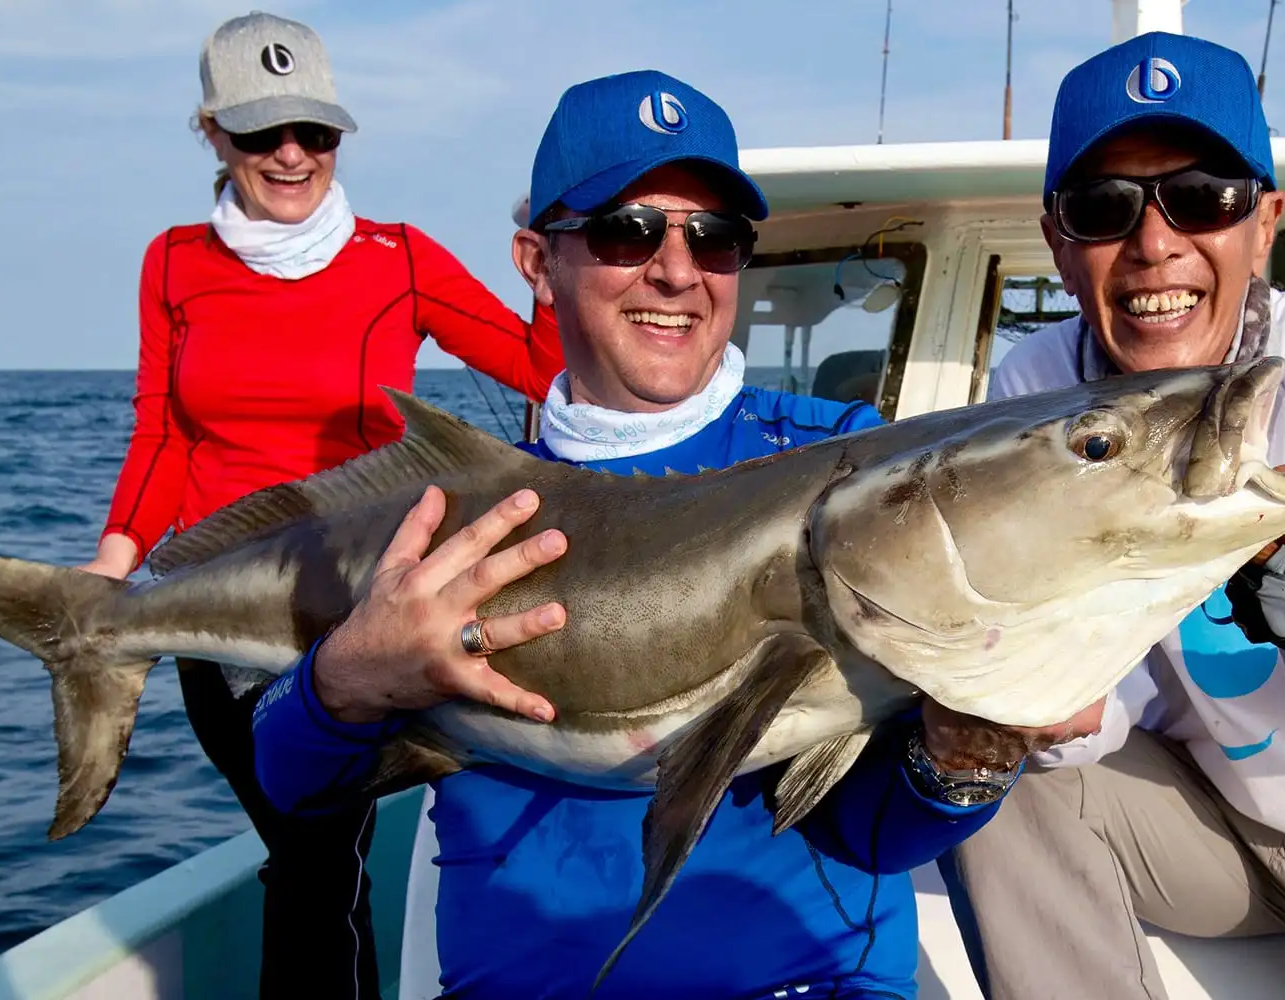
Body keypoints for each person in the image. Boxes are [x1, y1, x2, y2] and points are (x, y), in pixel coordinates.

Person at [250, 68, 1105, 999]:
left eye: (715, 238)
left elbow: (871, 835)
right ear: (536, 259)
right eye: (627, 230)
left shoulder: (851, 470)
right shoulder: (445, 518)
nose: (676, 268)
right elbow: (295, 786)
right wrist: (343, 680)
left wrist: (965, 751)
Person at [943, 31, 1285, 1000]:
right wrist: (1066, 708)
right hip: (1211, 817)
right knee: (993, 767)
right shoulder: (1034, 389)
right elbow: (1120, 680)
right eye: (1104, 208)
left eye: (1203, 197)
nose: (1154, 241)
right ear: (1058, 242)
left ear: (1264, 223)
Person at [78, 11, 563, 1000]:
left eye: (316, 131)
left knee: (318, 849)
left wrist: (548, 288)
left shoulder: (402, 260)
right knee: (309, 847)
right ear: (212, 132)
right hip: (218, 613)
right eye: (262, 133)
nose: (292, 154)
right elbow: (162, 435)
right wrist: (111, 570)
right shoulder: (172, 262)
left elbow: (542, 373)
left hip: (361, 607)